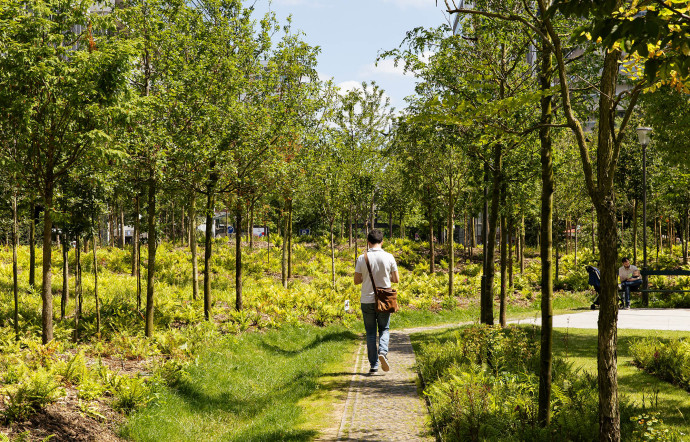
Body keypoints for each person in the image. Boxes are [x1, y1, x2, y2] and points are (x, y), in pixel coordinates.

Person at [354, 229, 399, 374]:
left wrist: (365, 277)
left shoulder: (362, 258)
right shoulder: (389, 257)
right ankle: (383, 353)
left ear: (368, 241)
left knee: (370, 332)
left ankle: (373, 365)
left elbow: (356, 280)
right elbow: (396, 279)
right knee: (384, 328)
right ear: (382, 241)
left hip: (367, 300)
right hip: (385, 300)